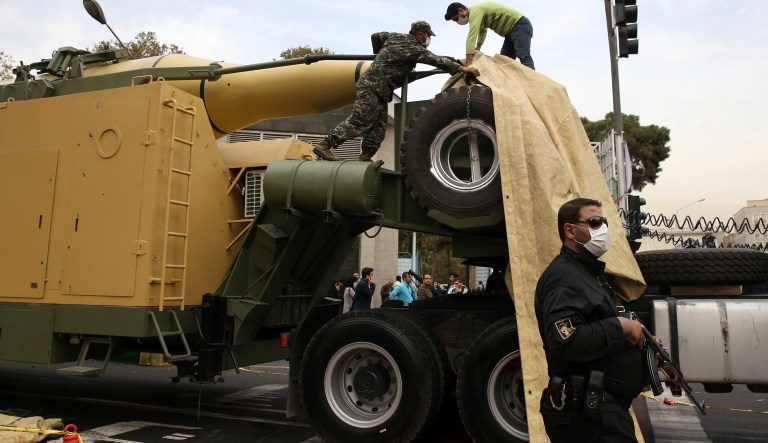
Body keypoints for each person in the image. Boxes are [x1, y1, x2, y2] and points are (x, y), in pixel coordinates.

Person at [534, 198, 648, 442]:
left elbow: (598, 327)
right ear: (570, 230)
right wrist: (620, 327)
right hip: (587, 417)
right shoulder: (563, 278)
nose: (603, 229)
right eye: (595, 222)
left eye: (604, 222)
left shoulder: (588, 274)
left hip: (602, 413)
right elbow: (566, 340)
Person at [312, 21, 480, 162]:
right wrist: (462, 68)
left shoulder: (393, 36)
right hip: (372, 86)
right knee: (360, 120)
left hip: (381, 90)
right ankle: (324, 145)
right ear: (420, 34)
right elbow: (435, 60)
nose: (429, 39)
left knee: (378, 127)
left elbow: (375, 36)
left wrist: (379, 54)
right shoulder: (414, 48)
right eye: (428, 35)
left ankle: (365, 157)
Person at [444, 2, 535, 70]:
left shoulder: (475, 11)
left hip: (519, 25)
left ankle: (533, 82)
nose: (458, 22)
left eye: (456, 19)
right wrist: (478, 47)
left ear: (461, 10)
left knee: (523, 55)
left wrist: (468, 61)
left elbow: (472, 34)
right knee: (504, 63)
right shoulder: (477, 15)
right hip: (509, 34)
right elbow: (482, 30)